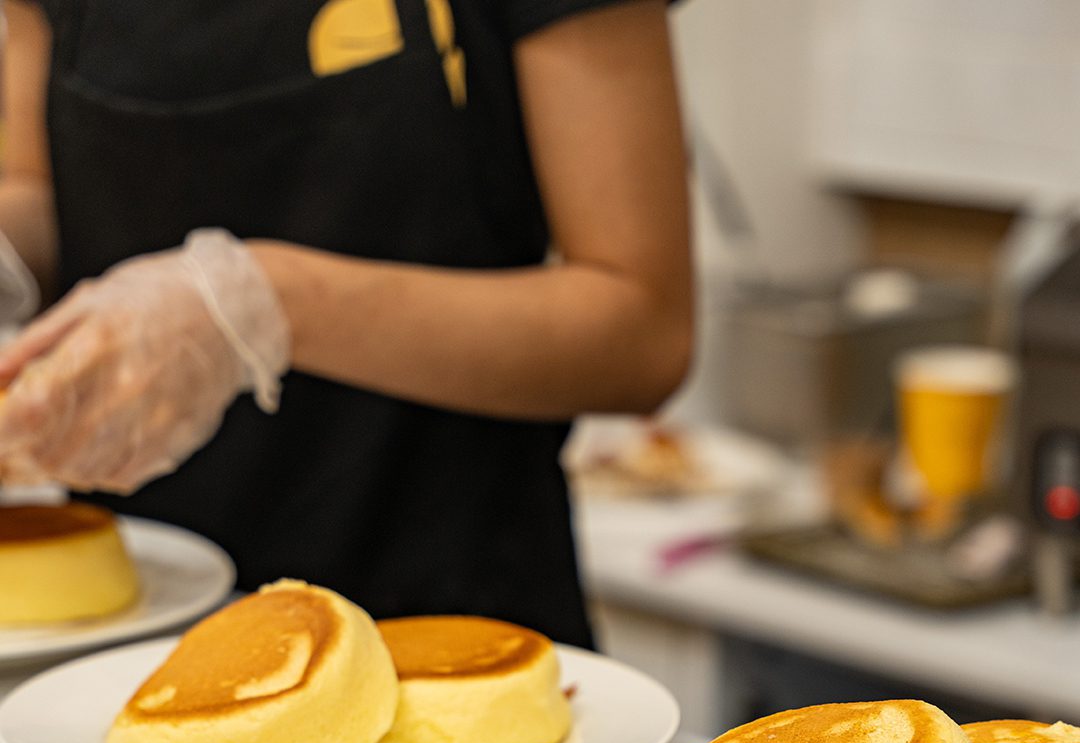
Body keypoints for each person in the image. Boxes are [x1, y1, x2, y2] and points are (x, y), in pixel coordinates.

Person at [0, 0, 691, 648]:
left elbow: (645, 330)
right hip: (121, 636)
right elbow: (40, 193)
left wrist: (264, 303)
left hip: (446, 634)